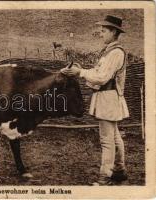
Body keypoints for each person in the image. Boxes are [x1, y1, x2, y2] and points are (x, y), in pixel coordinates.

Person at [61, 15, 129, 185]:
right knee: (114, 136)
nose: (101, 33)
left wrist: (80, 73)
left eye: (104, 30)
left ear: (114, 32)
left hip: (108, 98)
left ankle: (105, 177)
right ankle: (119, 170)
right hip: (107, 97)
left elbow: (101, 77)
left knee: (107, 139)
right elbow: (98, 72)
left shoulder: (116, 53)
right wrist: (82, 70)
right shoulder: (109, 51)